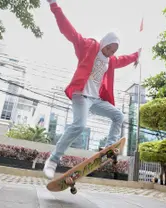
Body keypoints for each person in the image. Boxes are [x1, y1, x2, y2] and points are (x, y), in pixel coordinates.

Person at [43, 0, 141, 179]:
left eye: (114, 50)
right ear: (104, 42)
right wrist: (54, 6)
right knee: (79, 125)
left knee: (118, 116)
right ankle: (53, 160)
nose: (110, 52)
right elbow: (69, 31)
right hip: (81, 96)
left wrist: (136, 55)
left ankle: (109, 148)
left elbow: (124, 59)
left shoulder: (111, 60)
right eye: (109, 47)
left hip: (95, 100)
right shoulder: (88, 46)